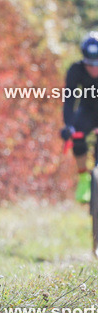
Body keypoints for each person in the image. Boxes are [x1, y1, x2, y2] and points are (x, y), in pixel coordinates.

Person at [60, 32, 98, 203]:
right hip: (88, 110)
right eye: (90, 64)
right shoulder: (76, 70)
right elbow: (69, 100)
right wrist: (69, 125)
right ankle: (84, 178)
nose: (94, 69)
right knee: (77, 135)